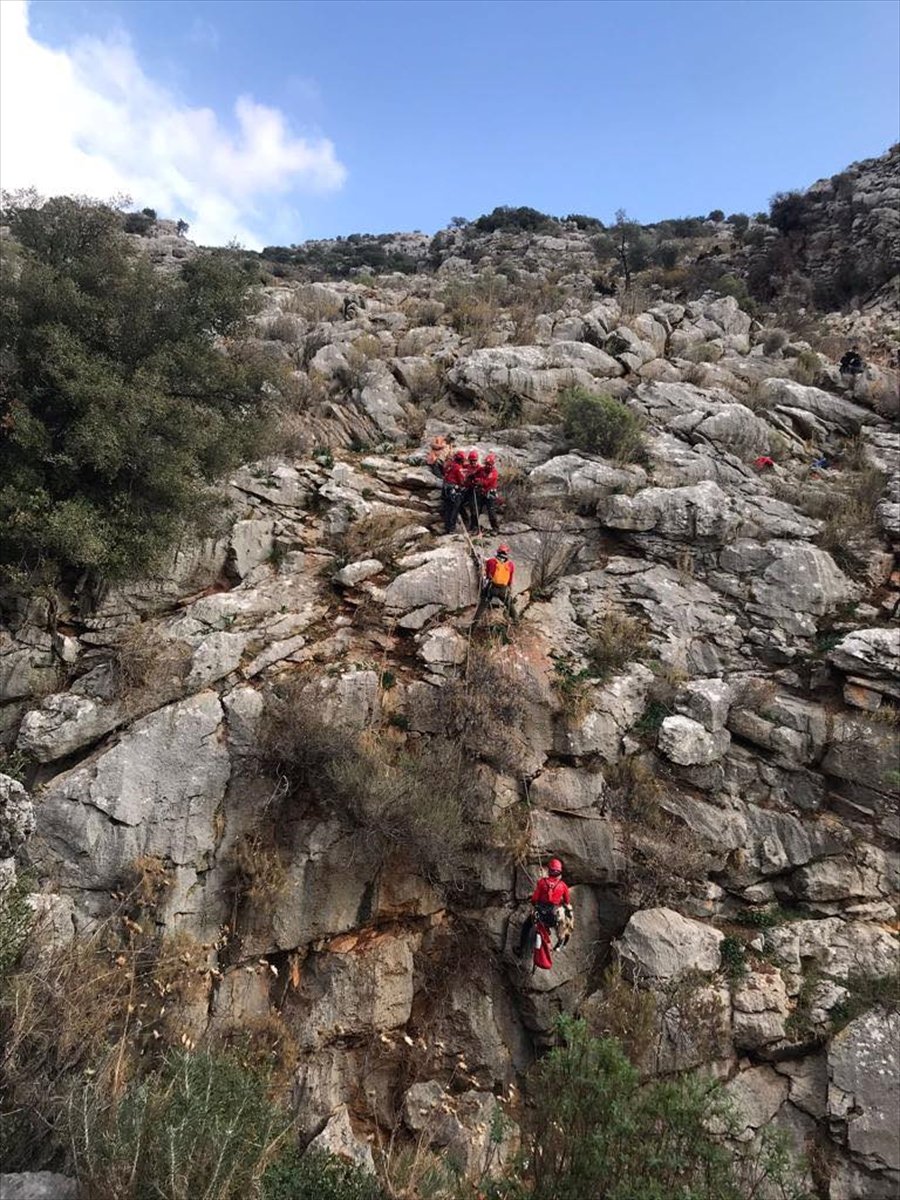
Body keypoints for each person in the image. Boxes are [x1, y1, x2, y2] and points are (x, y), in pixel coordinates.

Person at [516, 858, 572, 958]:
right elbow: (567, 902)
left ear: (549, 870)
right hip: (552, 918)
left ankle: (521, 950)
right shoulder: (563, 886)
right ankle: (559, 945)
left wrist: (535, 902)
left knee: (526, 926)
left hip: (539, 915)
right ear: (559, 872)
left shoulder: (542, 882)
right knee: (561, 923)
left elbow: (534, 899)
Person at [474, 543, 516, 621]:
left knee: (482, 607)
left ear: (498, 552)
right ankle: (516, 621)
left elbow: (487, 573)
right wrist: (509, 589)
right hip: (503, 590)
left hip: (492, 588)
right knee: (510, 605)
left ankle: (472, 628)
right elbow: (510, 580)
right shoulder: (510, 565)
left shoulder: (492, 561)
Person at [471, 453, 501, 532]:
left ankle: (495, 529)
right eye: (486, 464)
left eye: (489, 464)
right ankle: (474, 527)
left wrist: (478, 481)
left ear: (492, 465)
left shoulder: (494, 473)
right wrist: (472, 477)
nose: (487, 466)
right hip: (481, 493)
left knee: (491, 512)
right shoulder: (482, 469)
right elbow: (475, 474)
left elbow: (486, 482)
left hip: (490, 494)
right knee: (476, 510)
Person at [442, 450, 468, 533]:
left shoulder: (450, 465)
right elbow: (462, 481)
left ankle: (447, 527)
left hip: (446, 489)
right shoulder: (458, 468)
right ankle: (451, 528)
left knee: (448, 509)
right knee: (454, 509)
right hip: (454, 491)